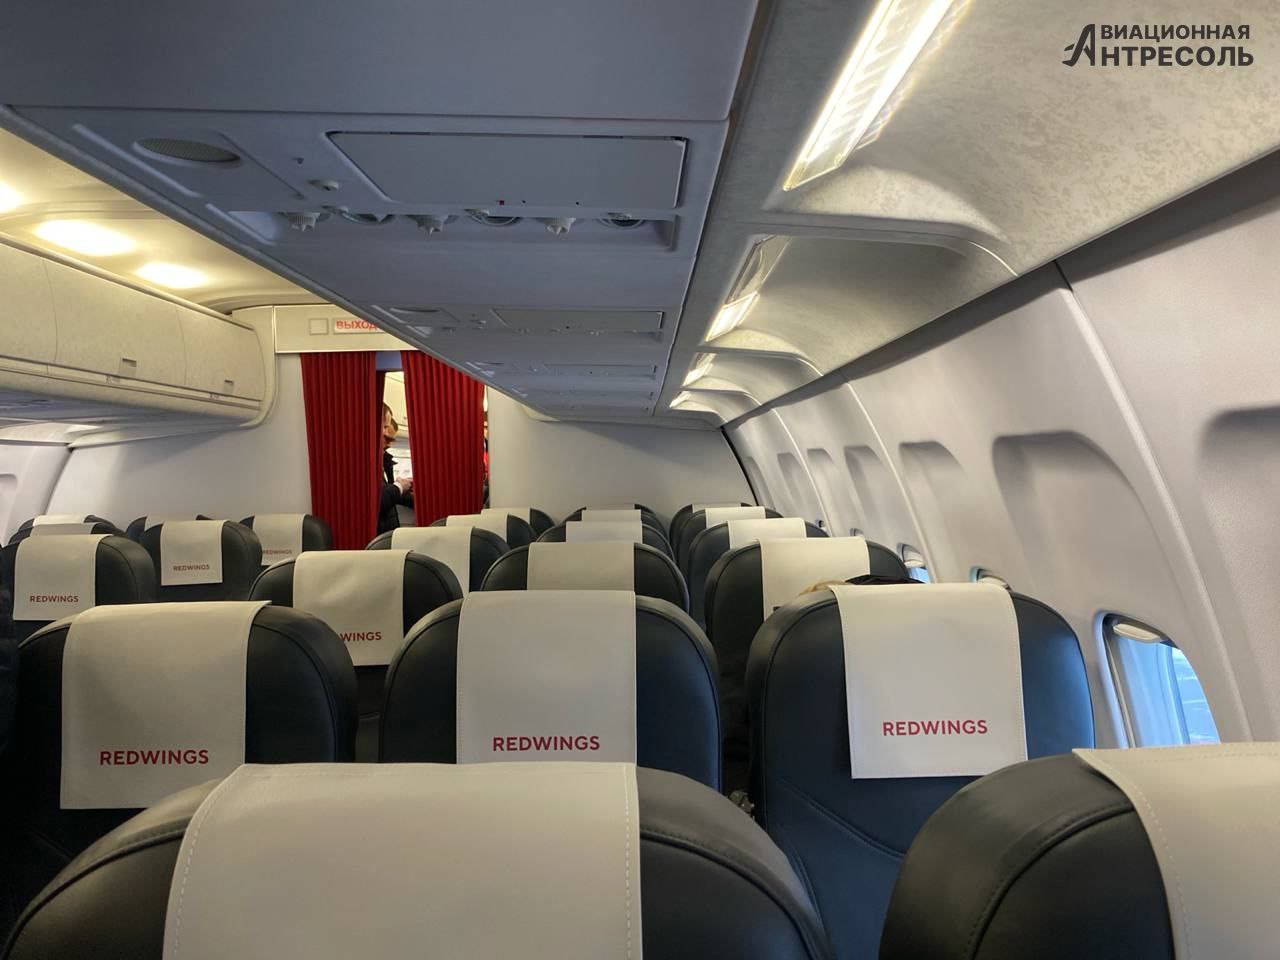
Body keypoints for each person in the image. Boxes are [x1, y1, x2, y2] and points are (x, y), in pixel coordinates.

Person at [378, 403, 412, 534]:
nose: (388, 444)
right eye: (384, 428)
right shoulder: (369, 463)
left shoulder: (384, 460)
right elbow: (380, 500)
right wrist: (399, 486)